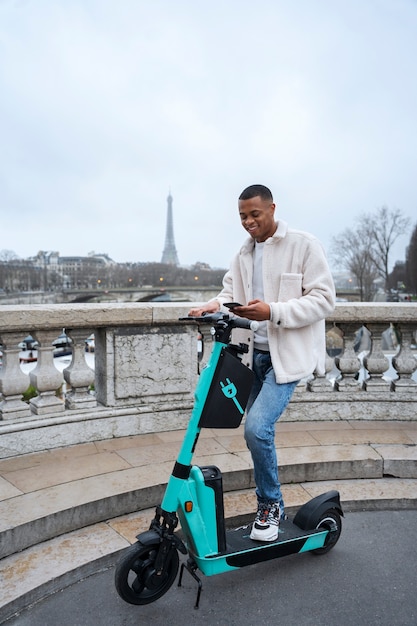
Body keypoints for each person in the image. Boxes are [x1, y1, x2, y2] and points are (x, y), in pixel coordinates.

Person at [189, 184, 335, 542]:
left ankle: (271, 506)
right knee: (248, 429)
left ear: (272, 208)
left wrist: (273, 311)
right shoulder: (243, 253)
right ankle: (271, 503)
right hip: (250, 357)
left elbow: (324, 299)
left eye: (255, 214)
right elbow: (229, 294)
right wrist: (214, 305)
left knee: (256, 429)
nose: (248, 222)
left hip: (284, 360)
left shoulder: (303, 244)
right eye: (242, 216)